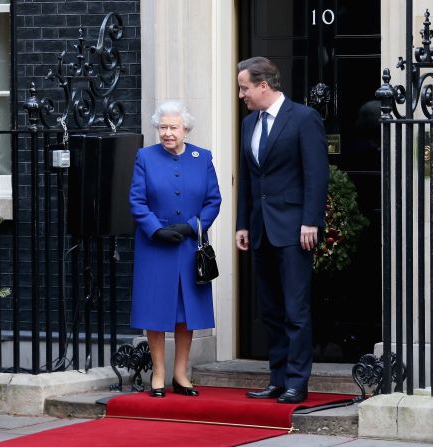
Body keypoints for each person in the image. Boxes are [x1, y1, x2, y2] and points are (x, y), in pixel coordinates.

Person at [235, 57, 329, 404]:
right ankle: (276, 379)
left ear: (264, 85)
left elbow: (316, 174)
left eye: (245, 87)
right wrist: (242, 223)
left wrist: (311, 220)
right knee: (271, 311)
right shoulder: (248, 124)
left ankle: (296, 381)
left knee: (295, 309)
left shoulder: (304, 118)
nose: (241, 94)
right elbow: (247, 178)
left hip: (294, 229)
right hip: (260, 229)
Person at [129, 101, 222, 398]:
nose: (168, 133)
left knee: (186, 311)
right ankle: (158, 373)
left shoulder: (202, 157)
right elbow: (137, 201)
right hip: (155, 245)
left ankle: (181, 374)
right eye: (163, 127)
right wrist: (156, 229)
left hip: (189, 245)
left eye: (174, 127)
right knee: (155, 310)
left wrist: (193, 226)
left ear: (186, 129)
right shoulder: (145, 157)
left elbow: (213, 200)